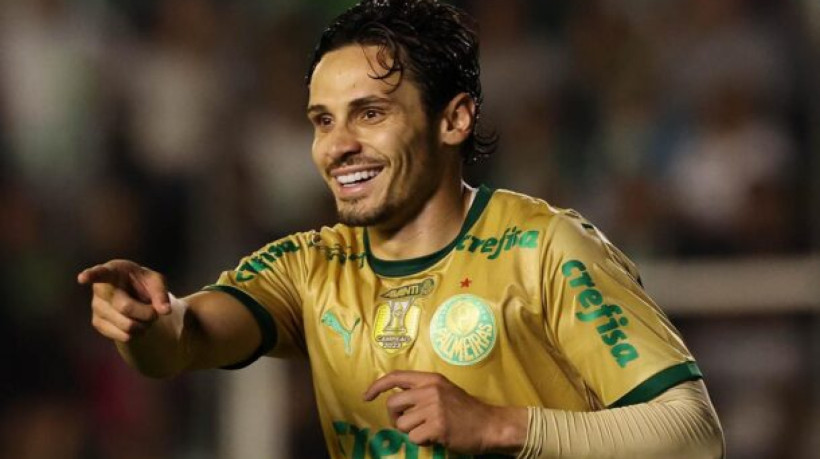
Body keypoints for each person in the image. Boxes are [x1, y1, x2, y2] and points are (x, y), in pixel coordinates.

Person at [78, 1, 724, 457]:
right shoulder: (309, 268)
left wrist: (502, 426)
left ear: (454, 119)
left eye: (370, 113)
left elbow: (692, 433)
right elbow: (185, 338)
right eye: (322, 121)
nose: (338, 146)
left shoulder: (544, 248)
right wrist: (148, 325)